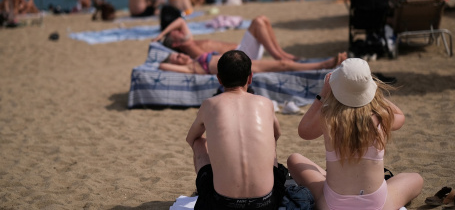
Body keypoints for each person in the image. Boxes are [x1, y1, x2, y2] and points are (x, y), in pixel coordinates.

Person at [287, 58, 423, 210]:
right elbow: (400, 117)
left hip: (332, 205)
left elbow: (304, 131)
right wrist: (374, 92)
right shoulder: (380, 117)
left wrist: (323, 94)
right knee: (416, 178)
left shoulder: (328, 118)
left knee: (294, 159)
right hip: (378, 205)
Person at [186, 50, 286, 209]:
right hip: (267, 202)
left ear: (219, 79)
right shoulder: (265, 103)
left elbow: (191, 138)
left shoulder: (209, 105)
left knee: (199, 142)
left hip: (223, 203)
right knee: (270, 140)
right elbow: (277, 134)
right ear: (250, 77)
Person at [152, 15, 299, 61]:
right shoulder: (189, 48)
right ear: (176, 43)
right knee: (258, 22)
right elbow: (212, 60)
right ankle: (278, 56)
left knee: (264, 20)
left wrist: (161, 34)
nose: (179, 30)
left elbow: (180, 21)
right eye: (175, 33)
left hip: (244, 50)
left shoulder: (189, 40)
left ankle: (282, 54)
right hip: (242, 56)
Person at [159, 49, 346, 75]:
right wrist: (174, 63)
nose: (180, 55)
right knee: (282, 65)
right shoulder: (191, 67)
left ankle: (324, 63)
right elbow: (161, 65)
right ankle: (324, 65)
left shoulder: (193, 59)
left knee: (281, 63)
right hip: (238, 67)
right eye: (176, 58)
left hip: (239, 60)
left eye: (178, 54)